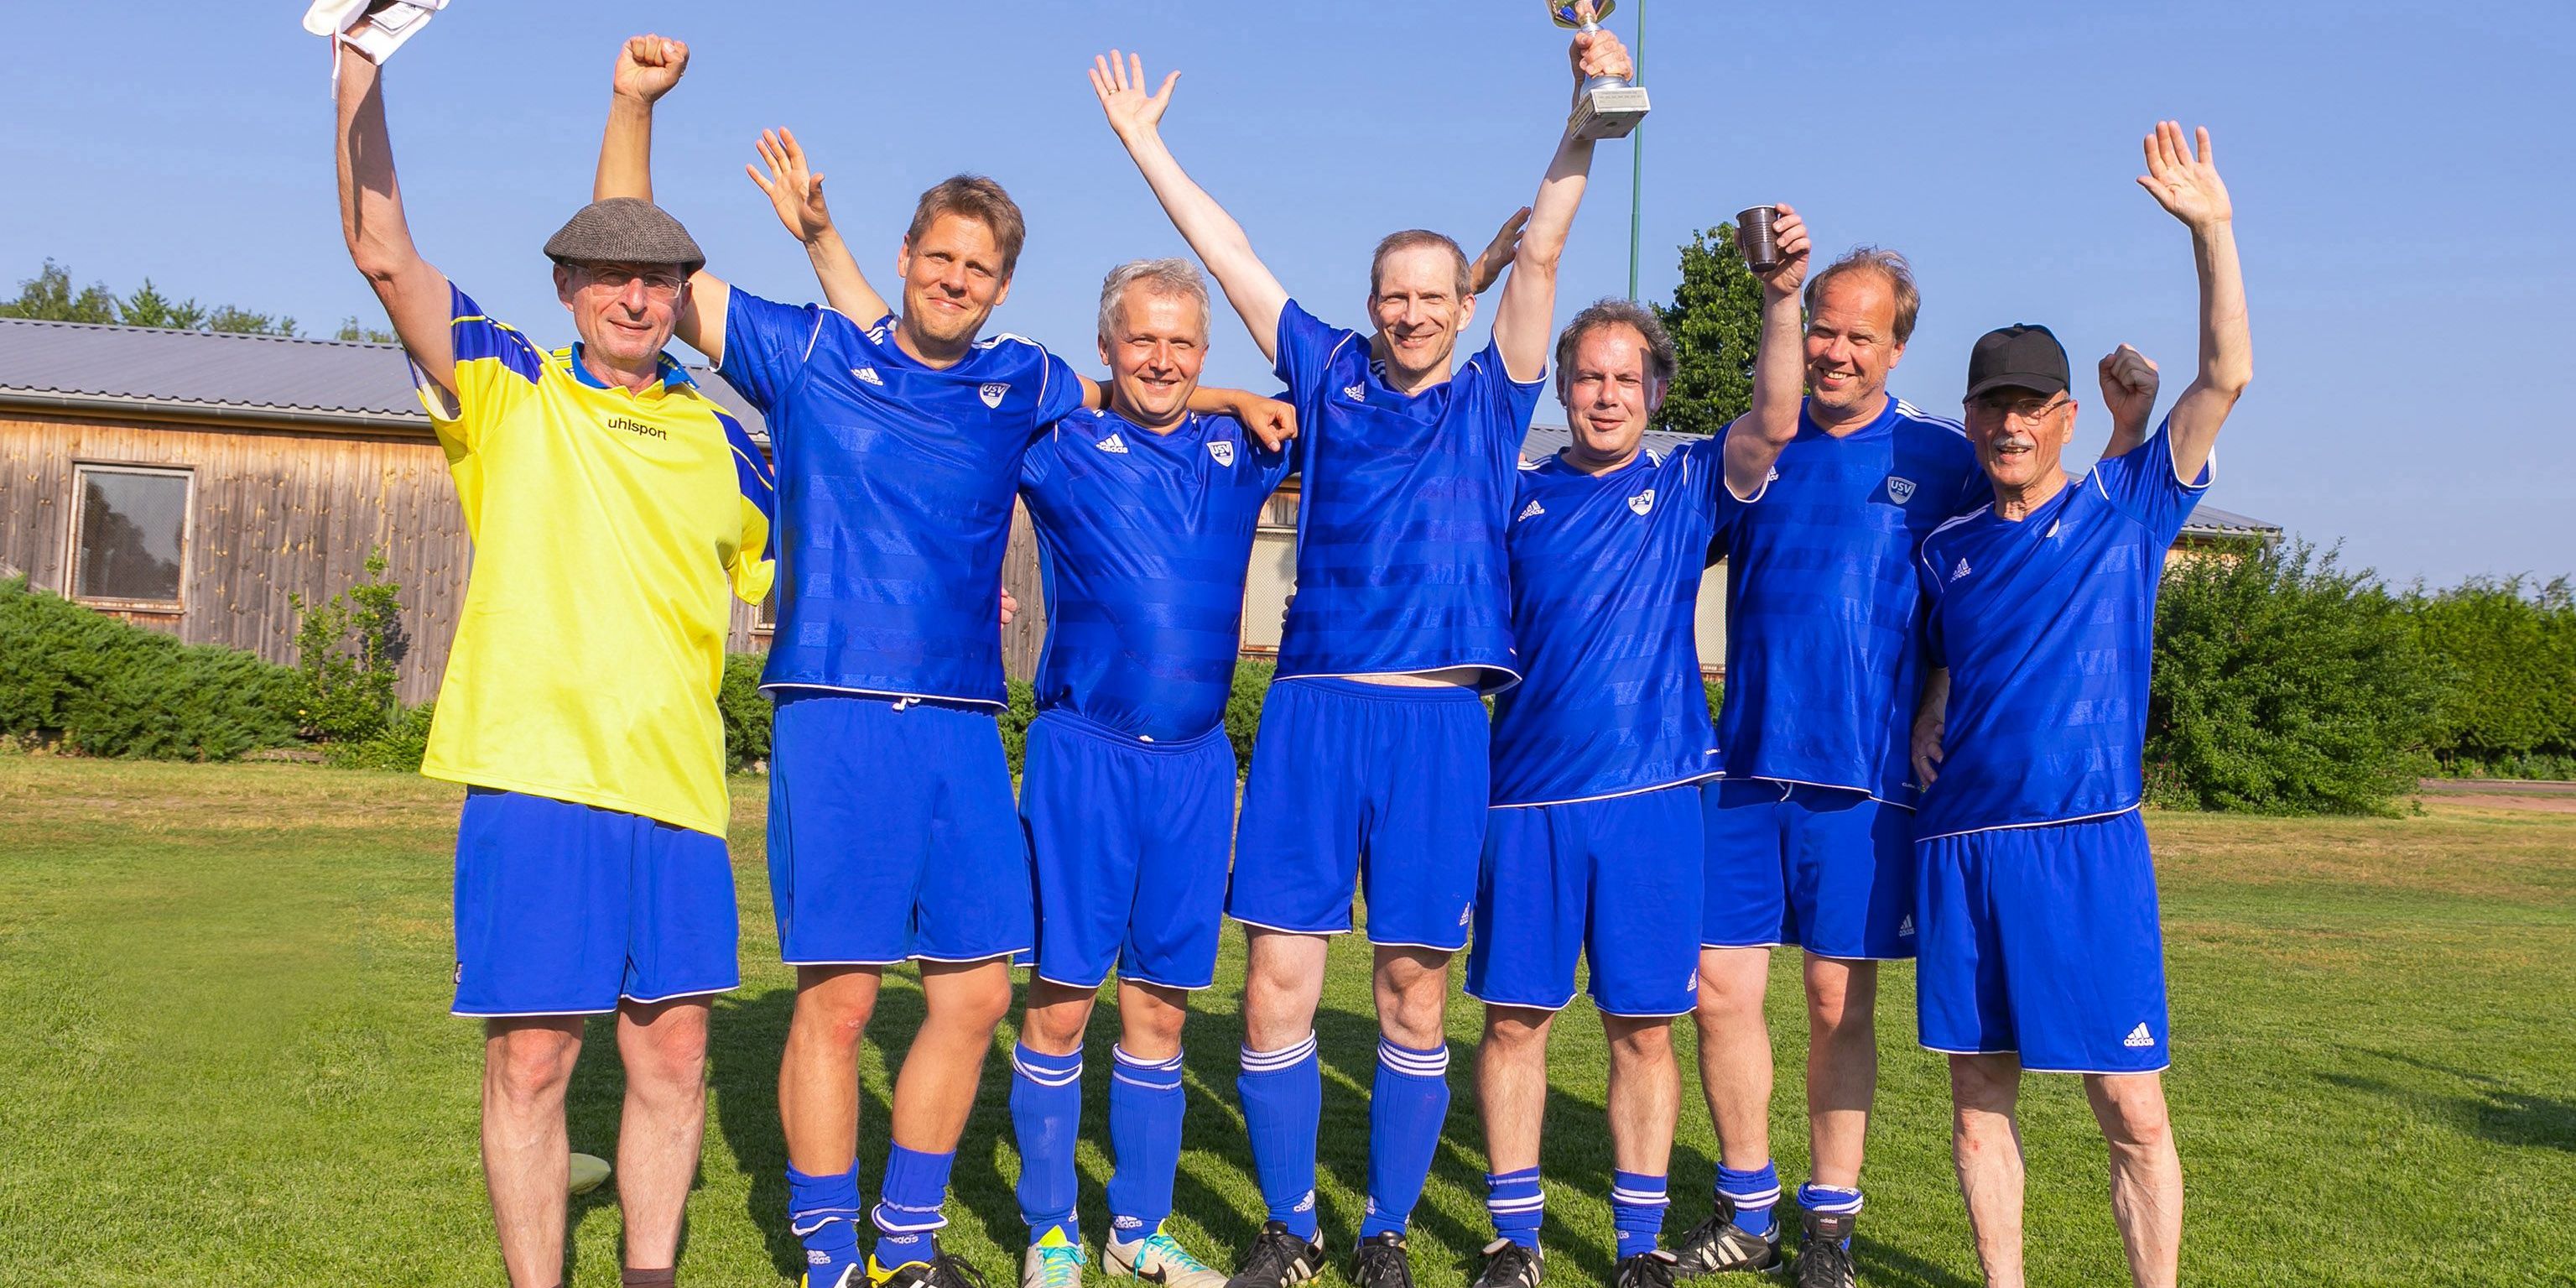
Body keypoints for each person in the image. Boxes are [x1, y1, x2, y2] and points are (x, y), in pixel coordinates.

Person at [590, 37, 1286, 1288]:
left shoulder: (1020, 383)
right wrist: (633, 103)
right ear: (903, 259)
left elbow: (1141, 382)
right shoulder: (805, 352)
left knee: (971, 996)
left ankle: (906, 1241)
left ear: (1001, 286)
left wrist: (1232, 396)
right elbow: (640, 259)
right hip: (837, 710)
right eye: (940, 257)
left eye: (980, 267)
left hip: (966, 720)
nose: (956, 279)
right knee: (843, 1000)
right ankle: (823, 1253)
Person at [1090, 27, 1624, 1288]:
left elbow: (1541, 242)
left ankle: (1382, 1228)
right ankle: (1289, 1219)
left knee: (1411, 998)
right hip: (1314, 714)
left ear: (1461, 304)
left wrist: (1579, 116)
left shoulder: (1493, 391)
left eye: (1434, 294)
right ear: (1371, 298)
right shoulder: (1324, 365)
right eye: (1393, 293)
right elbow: (1227, 258)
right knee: (1275, 982)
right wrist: (1144, 145)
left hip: (1438, 724)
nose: (1411, 312)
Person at [330, 29, 773, 1288]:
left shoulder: (734, 449)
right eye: (605, 276)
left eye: (658, 280)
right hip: (535, 780)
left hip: (678, 791)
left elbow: (846, 552)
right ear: (569, 289)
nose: (634, 297)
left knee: (674, 1059)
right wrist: (358, 71)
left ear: (681, 296)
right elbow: (380, 251)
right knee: (532, 1060)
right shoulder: (513, 389)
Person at [1908, 122, 2249, 1288]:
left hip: (2086, 844)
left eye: (2031, 405)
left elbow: (2223, 378)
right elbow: (1953, 648)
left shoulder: (2122, 508)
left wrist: (2209, 231)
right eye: (1991, 404)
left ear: (2062, 416)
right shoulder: (1942, 544)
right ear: (1969, 417)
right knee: (1973, 1101)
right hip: (1958, 845)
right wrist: (1931, 698)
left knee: (2129, 1107)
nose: (2010, 423)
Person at [1465, 204, 1809, 1288]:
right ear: (1562, 388)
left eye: (1625, 379)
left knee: (1641, 1030)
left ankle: (1637, 1244)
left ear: (1653, 393)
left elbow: (1774, 418)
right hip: (1522, 800)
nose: (1605, 395)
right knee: (1515, 1021)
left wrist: (1779, 295)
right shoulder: (1511, 497)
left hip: (1655, 796)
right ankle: (1512, 1240)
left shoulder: (1684, 485)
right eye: (1587, 377)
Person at [1675, 237, 1982, 1285]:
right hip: (1745, 765)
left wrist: (1935, 702)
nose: (1837, 349)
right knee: (1716, 988)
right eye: (1823, 328)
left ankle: (1829, 1230)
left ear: (1897, 346)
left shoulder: (1945, 459)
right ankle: (1747, 1205)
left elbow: (1984, 597)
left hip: (1863, 778)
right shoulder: (1760, 442)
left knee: (1832, 1000)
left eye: (1861, 333)